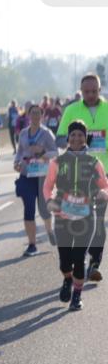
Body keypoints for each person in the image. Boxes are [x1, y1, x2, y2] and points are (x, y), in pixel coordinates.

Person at [45, 120, 108, 310]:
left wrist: (102, 193)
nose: (76, 138)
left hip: (85, 218)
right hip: (62, 217)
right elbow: (48, 186)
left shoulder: (93, 162)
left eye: (80, 134)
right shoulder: (57, 162)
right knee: (65, 261)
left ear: (85, 138)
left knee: (79, 257)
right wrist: (50, 200)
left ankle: (77, 295)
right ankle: (67, 279)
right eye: (73, 134)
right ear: (68, 138)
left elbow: (104, 185)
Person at [56, 73, 108, 281]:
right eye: (87, 92)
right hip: (76, 177)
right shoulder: (71, 110)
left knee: (99, 219)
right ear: (81, 90)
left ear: (99, 89)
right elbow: (60, 137)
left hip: (102, 173)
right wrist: (77, 142)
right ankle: (78, 261)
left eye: (94, 91)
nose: (91, 95)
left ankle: (94, 262)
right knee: (75, 220)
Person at [15, 104, 59, 256]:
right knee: (29, 209)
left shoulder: (46, 133)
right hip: (27, 175)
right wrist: (17, 162)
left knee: (44, 209)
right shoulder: (23, 133)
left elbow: (56, 152)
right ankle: (32, 244)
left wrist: (43, 152)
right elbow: (20, 151)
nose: (35, 116)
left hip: (42, 176)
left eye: (38, 113)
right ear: (28, 115)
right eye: (32, 113)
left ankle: (49, 230)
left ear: (42, 115)